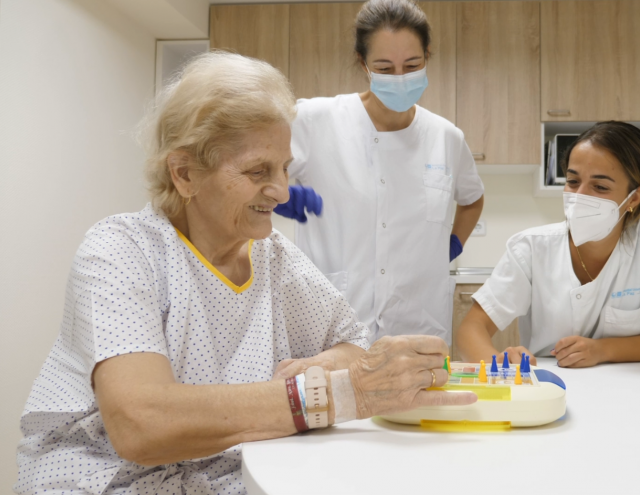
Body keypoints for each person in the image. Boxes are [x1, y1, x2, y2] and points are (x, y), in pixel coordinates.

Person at [15, 52, 475, 494]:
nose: (280, 191)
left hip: (229, 476)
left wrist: (320, 369)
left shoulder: (272, 256)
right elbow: (141, 425)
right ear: (184, 174)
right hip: (104, 480)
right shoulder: (120, 251)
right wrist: (333, 394)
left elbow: (353, 345)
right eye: (258, 171)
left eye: (284, 168)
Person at [274, 0, 485, 344]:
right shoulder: (315, 120)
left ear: (427, 57)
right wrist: (275, 193)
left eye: (412, 65)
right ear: (363, 63)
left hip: (419, 324)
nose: (399, 78)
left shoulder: (445, 137)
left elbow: (473, 200)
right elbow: (246, 172)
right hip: (333, 321)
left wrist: (453, 244)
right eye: (385, 69)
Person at [455, 121, 640, 368]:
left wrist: (603, 350)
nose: (579, 197)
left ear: (634, 197)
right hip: (553, 384)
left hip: (636, 387)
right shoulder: (531, 248)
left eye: (600, 187)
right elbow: (471, 329)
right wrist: (497, 364)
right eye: (573, 181)